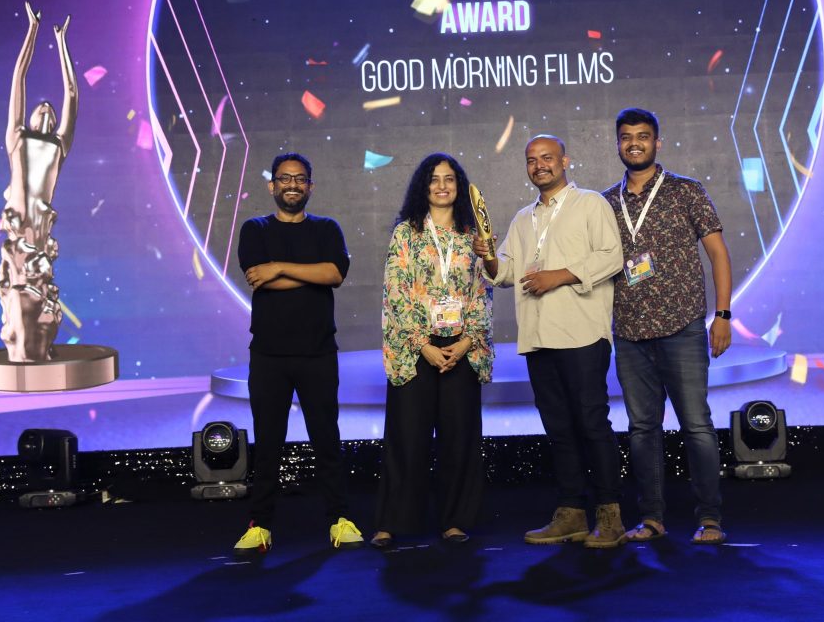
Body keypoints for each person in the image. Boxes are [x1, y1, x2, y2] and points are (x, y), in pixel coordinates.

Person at [472, 135, 627, 548]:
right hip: (538, 336)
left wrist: (557, 275)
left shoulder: (590, 203)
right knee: (558, 428)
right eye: (531, 160)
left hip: (581, 334)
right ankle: (571, 513)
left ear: (565, 161)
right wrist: (488, 256)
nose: (539, 165)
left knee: (591, 423)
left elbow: (611, 256)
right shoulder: (523, 218)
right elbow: (505, 272)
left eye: (547, 158)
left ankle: (610, 515)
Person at [601, 107, 733, 545]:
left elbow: (718, 253)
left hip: (683, 327)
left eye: (642, 136)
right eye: (626, 137)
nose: (634, 143)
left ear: (657, 142)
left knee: (696, 425)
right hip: (630, 333)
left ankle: (710, 518)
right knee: (642, 430)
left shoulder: (686, 191)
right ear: (618, 144)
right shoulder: (606, 203)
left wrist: (723, 315)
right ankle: (652, 518)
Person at [232, 152, 364, 556]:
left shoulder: (327, 228)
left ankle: (340, 519)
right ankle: (260, 526)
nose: (293, 185)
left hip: (317, 352)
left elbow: (334, 274)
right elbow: (259, 278)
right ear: (272, 185)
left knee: (327, 441)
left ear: (310, 186)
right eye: (285, 178)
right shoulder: (254, 229)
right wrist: (304, 272)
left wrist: (278, 267)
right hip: (269, 356)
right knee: (268, 444)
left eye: (300, 179)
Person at [372, 153, 493, 549]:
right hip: (415, 349)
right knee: (407, 438)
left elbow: (483, 292)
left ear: (459, 186)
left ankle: (455, 521)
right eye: (434, 179)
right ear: (423, 187)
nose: (442, 186)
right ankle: (392, 521)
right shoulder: (406, 233)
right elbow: (396, 292)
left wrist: (466, 342)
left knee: (459, 439)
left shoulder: (472, 235)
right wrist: (423, 345)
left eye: (449, 179)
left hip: (462, 346)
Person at [0, 1, 76, 362]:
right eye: (40, 107)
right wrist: (32, 31)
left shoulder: (59, 146)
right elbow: (19, 78)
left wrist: (61, 43)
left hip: (39, 237)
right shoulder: (16, 139)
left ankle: (37, 351)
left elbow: (71, 94)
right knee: (18, 290)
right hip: (20, 232)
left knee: (38, 292)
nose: (46, 107)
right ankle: (20, 350)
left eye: (51, 109)